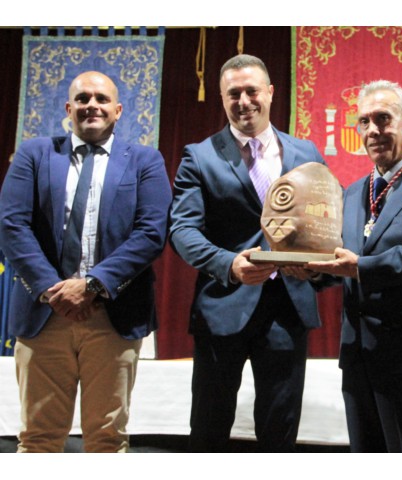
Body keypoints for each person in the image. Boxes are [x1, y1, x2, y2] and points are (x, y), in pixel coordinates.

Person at [0, 71, 172, 452]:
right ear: (68, 108)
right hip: (45, 314)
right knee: (38, 439)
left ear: (118, 110)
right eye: (82, 99)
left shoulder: (145, 161)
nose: (91, 105)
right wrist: (54, 290)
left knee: (107, 441)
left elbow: (151, 233)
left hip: (113, 314)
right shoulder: (34, 154)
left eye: (101, 99)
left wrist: (92, 285)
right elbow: (11, 225)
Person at [169, 54, 326, 452]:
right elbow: (182, 230)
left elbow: (325, 223)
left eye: (252, 91)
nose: (244, 101)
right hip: (223, 306)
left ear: (270, 93)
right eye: (233, 93)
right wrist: (229, 264)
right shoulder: (199, 156)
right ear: (222, 98)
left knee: (280, 434)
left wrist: (316, 268)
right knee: (209, 430)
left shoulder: (306, 152)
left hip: (288, 307)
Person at [306, 80, 402, 452]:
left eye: (383, 119)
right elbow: (341, 257)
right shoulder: (351, 192)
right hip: (358, 353)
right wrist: (311, 271)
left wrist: (361, 267)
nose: (373, 130)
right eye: (364, 121)